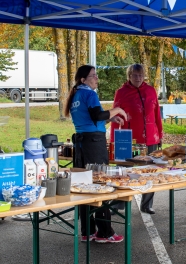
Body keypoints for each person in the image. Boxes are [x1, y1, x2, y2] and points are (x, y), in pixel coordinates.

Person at [65, 65, 127, 243]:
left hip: (82, 143)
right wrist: (117, 110)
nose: (97, 78)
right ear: (83, 79)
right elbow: (97, 115)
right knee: (101, 183)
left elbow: (91, 118)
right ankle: (105, 232)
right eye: (93, 76)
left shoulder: (77, 95)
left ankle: (87, 230)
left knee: (84, 186)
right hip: (94, 143)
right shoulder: (89, 94)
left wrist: (109, 118)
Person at [110, 64, 163, 215]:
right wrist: (114, 140)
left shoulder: (151, 90)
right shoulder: (121, 92)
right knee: (125, 171)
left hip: (151, 138)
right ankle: (118, 203)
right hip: (130, 139)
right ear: (129, 76)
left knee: (150, 171)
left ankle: (147, 204)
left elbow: (157, 113)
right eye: (135, 75)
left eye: (141, 75)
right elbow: (115, 117)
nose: (138, 78)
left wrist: (160, 134)